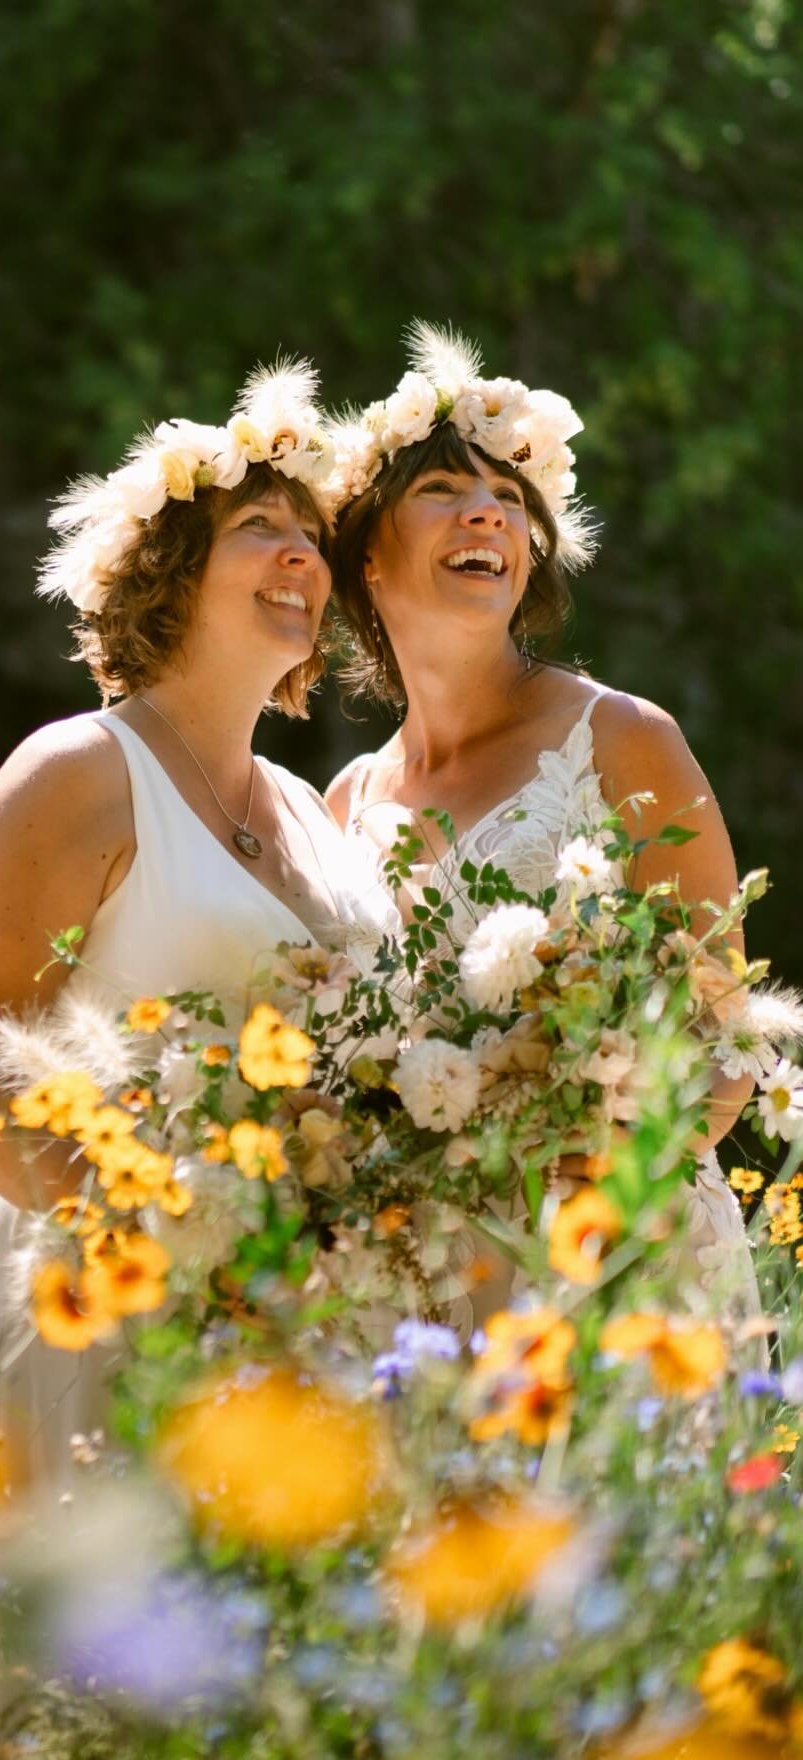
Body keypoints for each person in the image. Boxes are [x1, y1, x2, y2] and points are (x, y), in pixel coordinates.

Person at [0, 361, 350, 1760]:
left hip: (286, 1324)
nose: (300, 559)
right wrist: (153, 1228)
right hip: (92, 1312)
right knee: (74, 1707)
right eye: (259, 530)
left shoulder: (315, 815)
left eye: (315, 540)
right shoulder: (76, 772)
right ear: (166, 570)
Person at [315, 322, 758, 1325]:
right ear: (368, 559)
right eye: (442, 492)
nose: (488, 515)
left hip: (615, 1272)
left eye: (511, 501)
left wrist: (625, 1184)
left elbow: (728, 1032)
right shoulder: (344, 804)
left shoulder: (620, 738)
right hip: (417, 1290)